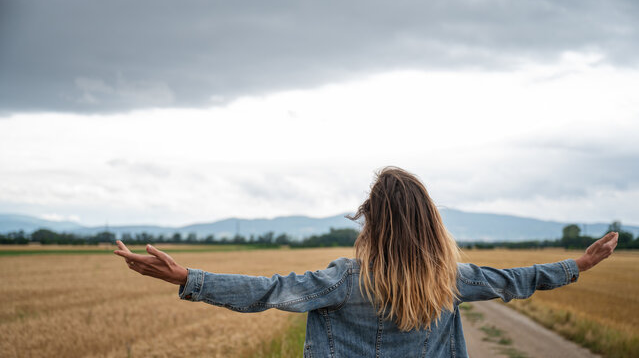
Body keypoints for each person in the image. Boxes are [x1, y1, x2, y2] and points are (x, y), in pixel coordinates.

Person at [114, 167, 618, 358]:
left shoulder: (345, 277)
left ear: (371, 224)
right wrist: (579, 264)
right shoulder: (451, 279)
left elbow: (268, 291)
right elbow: (518, 280)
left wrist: (188, 278)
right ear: (430, 225)